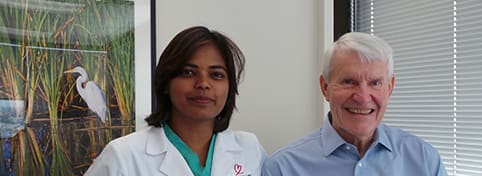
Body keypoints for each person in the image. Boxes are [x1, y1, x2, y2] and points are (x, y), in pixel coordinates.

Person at [85, 26, 267, 176]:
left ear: (230, 87)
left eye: (216, 75)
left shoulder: (250, 149)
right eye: (188, 72)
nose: (203, 83)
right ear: (166, 82)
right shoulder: (123, 156)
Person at [262, 32, 447, 176]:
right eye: (349, 82)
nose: (363, 97)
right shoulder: (282, 169)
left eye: (375, 83)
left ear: (390, 88)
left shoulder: (425, 160)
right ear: (325, 87)